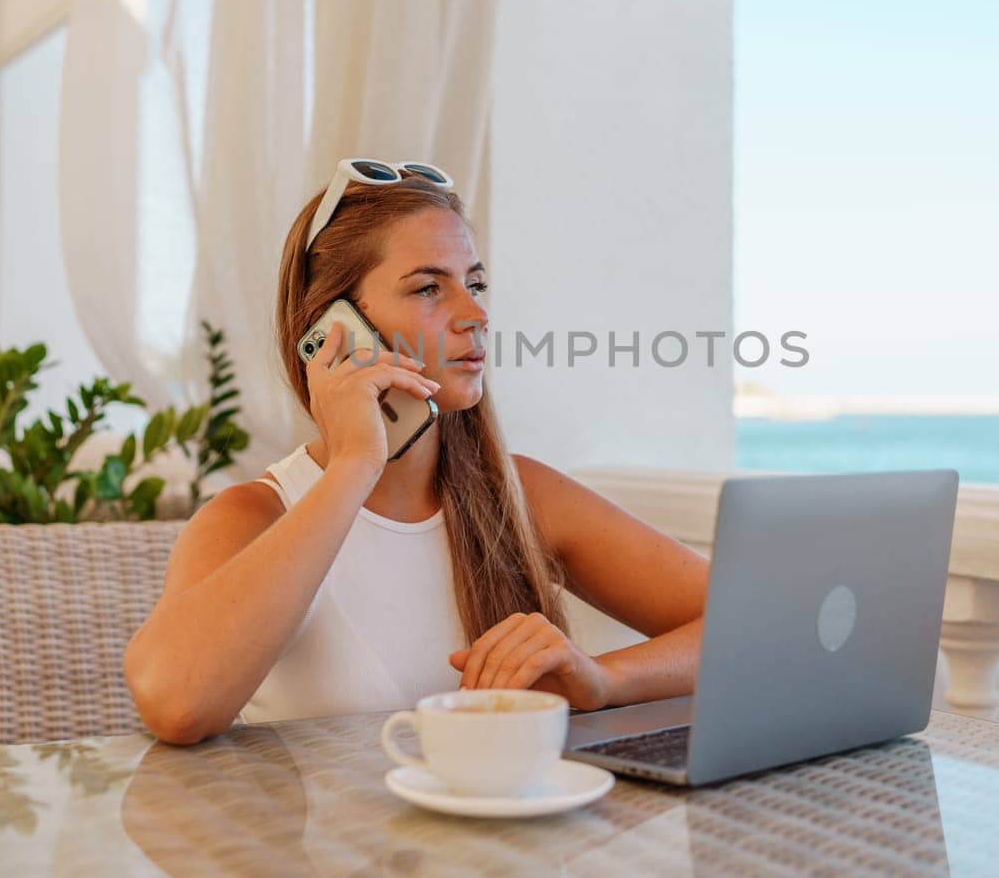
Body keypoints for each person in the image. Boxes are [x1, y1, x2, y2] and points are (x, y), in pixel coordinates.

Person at [124, 162, 709, 745]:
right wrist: (355, 462)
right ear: (333, 328)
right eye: (429, 287)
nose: (476, 315)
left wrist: (604, 679)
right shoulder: (254, 517)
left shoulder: (522, 496)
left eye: (474, 284)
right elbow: (176, 704)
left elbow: (760, 625)